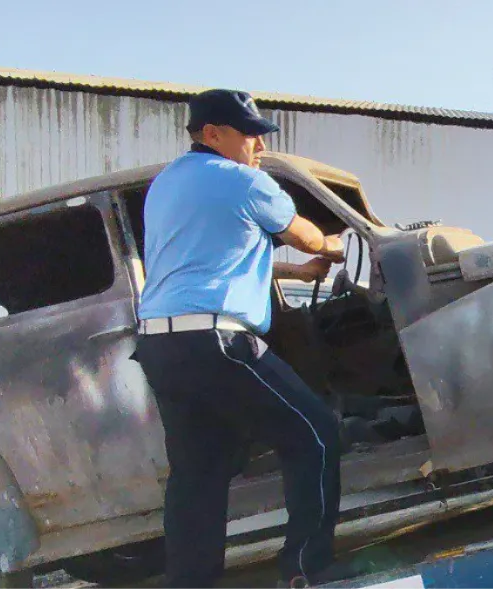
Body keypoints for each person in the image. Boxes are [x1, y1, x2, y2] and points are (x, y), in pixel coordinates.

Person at [134, 88, 356, 589]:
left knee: (198, 475)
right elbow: (305, 233)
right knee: (316, 433)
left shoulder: (167, 184)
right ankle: (306, 569)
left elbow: (217, 258)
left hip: (161, 346)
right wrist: (334, 246)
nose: (260, 144)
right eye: (251, 133)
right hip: (218, 344)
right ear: (213, 134)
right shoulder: (242, 182)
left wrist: (299, 272)